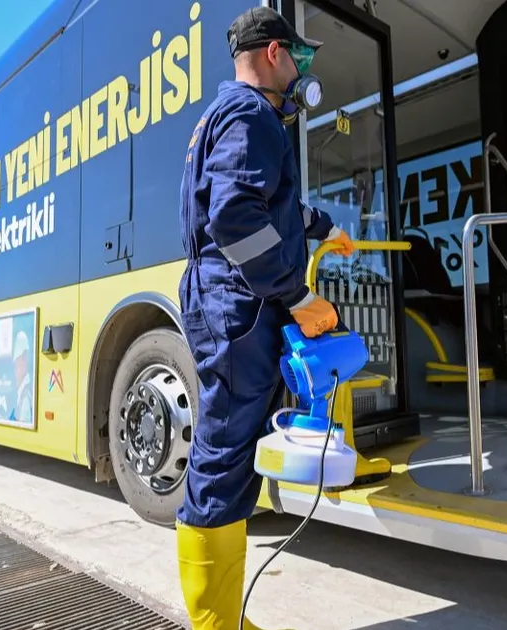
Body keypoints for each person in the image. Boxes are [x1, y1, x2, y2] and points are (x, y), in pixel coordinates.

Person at [174, 6, 355, 628]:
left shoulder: (223, 117)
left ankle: (221, 614)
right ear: (274, 53)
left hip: (228, 297)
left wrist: (323, 226)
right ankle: (214, 623)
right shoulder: (253, 115)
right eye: (298, 56)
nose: (302, 68)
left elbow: (266, 203)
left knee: (229, 446)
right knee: (223, 452)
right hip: (240, 301)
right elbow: (233, 218)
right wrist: (296, 294)